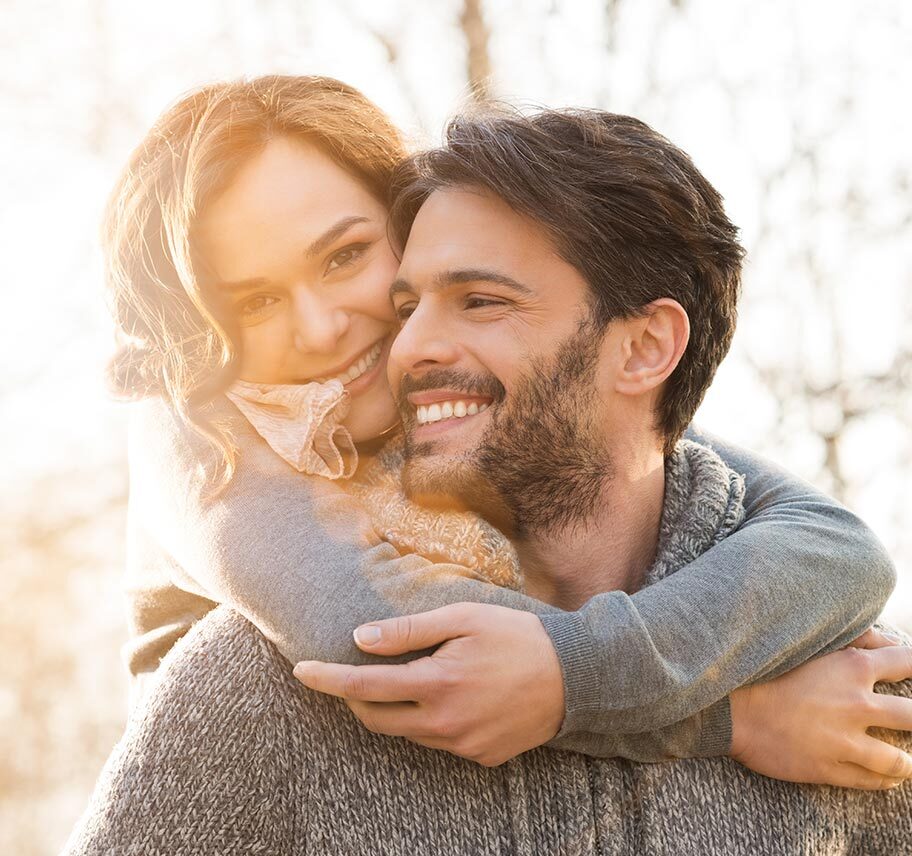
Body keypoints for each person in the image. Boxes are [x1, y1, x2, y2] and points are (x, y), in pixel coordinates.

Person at [64, 102, 912, 856]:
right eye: (252, 301)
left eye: (346, 256)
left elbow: (829, 540)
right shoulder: (203, 444)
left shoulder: (853, 697)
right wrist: (734, 718)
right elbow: (391, 644)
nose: (323, 329)